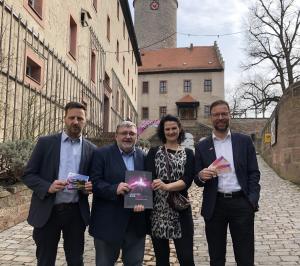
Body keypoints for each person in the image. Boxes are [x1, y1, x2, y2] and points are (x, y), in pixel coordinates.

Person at [22, 102, 96, 266]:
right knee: (45, 260)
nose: (75, 122)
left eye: (80, 118)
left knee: (76, 260)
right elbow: (28, 175)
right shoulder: (45, 143)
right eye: (72, 118)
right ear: (65, 119)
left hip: (76, 213)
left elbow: (94, 179)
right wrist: (48, 186)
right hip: (48, 212)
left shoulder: (92, 149)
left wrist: (90, 187)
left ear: (85, 121)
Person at [194, 100, 260, 266]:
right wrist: (201, 175)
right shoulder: (202, 146)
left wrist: (252, 200)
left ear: (230, 115)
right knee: (216, 257)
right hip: (215, 205)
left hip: (241, 203)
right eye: (216, 114)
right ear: (211, 118)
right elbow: (196, 179)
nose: (221, 117)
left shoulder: (244, 141)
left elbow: (254, 173)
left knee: (245, 256)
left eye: (224, 114)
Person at [89, 121, 147, 266]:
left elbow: (148, 185)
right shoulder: (101, 154)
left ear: (137, 137)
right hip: (107, 222)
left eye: (132, 134)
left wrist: (144, 201)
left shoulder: (143, 156)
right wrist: (114, 189)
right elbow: (94, 183)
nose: (128, 136)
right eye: (124, 133)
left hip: (135, 223)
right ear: (116, 136)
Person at [145, 114, 195, 266]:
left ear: (180, 129)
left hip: (180, 209)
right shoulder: (154, 152)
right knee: (161, 259)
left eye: (174, 128)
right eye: (167, 129)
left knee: (186, 258)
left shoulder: (188, 153)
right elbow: (149, 178)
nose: (171, 131)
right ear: (163, 131)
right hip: (158, 211)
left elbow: (187, 180)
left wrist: (167, 186)